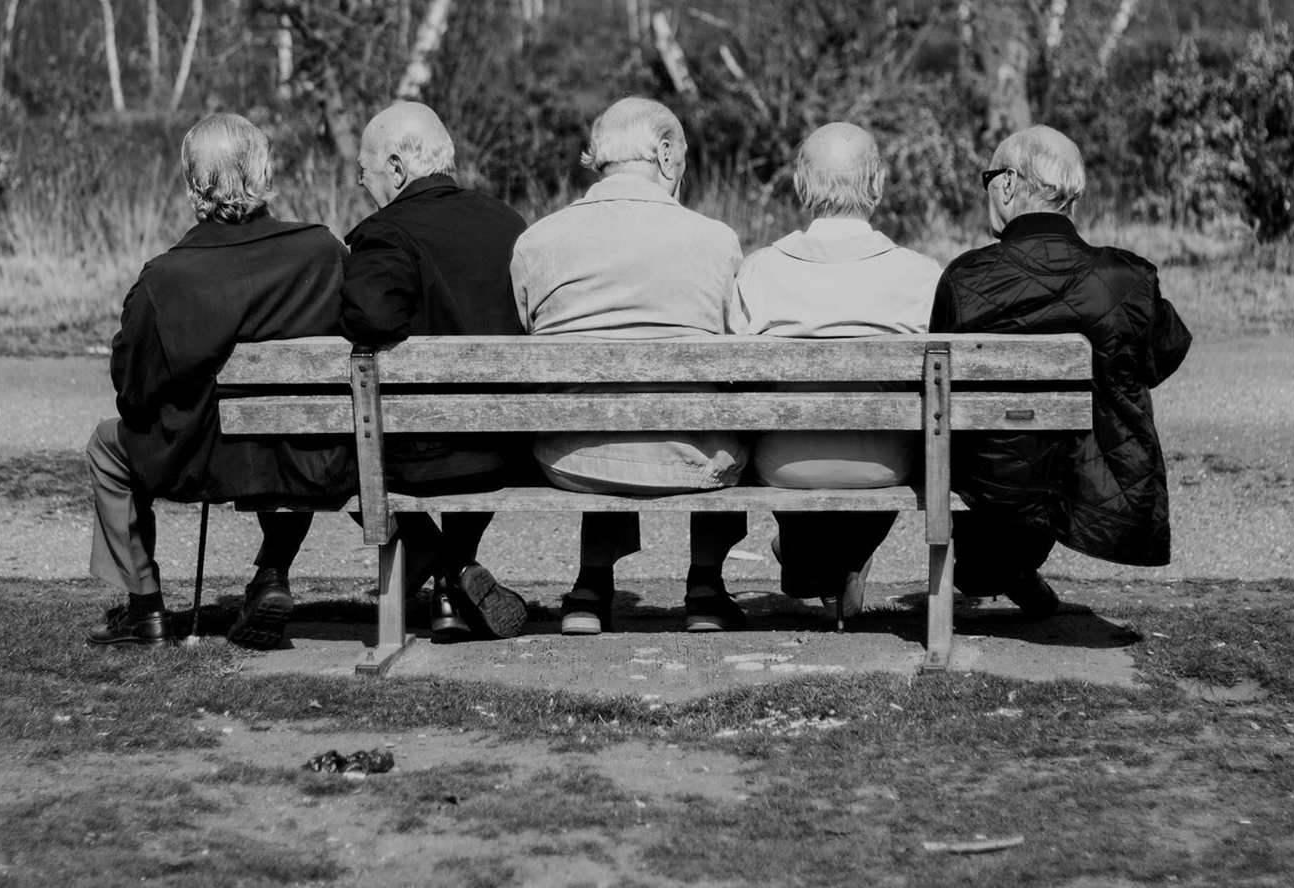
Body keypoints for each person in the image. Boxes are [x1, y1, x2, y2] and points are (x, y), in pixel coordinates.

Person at [84, 113, 354, 649]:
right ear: (264, 170)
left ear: (192, 183)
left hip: (196, 457)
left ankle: (145, 608)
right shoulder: (323, 252)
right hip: (304, 454)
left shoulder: (165, 276)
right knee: (301, 429)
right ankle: (271, 573)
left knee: (105, 445)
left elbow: (131, 392)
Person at [929, 124, 1192, 616]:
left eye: (988, 178)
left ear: (1007, 183)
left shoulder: (964, 278)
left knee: (1001, 453)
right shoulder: (1128, 278)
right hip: (1085, 477)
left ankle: (997, 567)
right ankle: (1007, 569)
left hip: (990, 482)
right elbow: (1163, 356)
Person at [511, 97, 750, 634]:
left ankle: (590, 587)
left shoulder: (536, 241)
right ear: (666, 155)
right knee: (726, 407)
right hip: (689, 457)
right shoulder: (717, 242)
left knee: (605, 411)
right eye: (683, 160)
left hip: (568, 456)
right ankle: (706, 587)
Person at [728, 122, 943, 627]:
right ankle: (834, 563)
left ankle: (815, 565)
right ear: (878, 184)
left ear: (802, 186)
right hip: (889, 467)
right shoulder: (921, 276)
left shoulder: (759, 271)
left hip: (783, 465)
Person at [337, 101, 530, 641]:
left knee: (331, 446)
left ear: (396, 169)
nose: (363, 187)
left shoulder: (386, 234)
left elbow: (369, 318)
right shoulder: (508, 224)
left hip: (416, 458)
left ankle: (434, 556)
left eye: (365, 173)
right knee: (467, 422)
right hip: (506, 449)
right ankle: (455, 580)